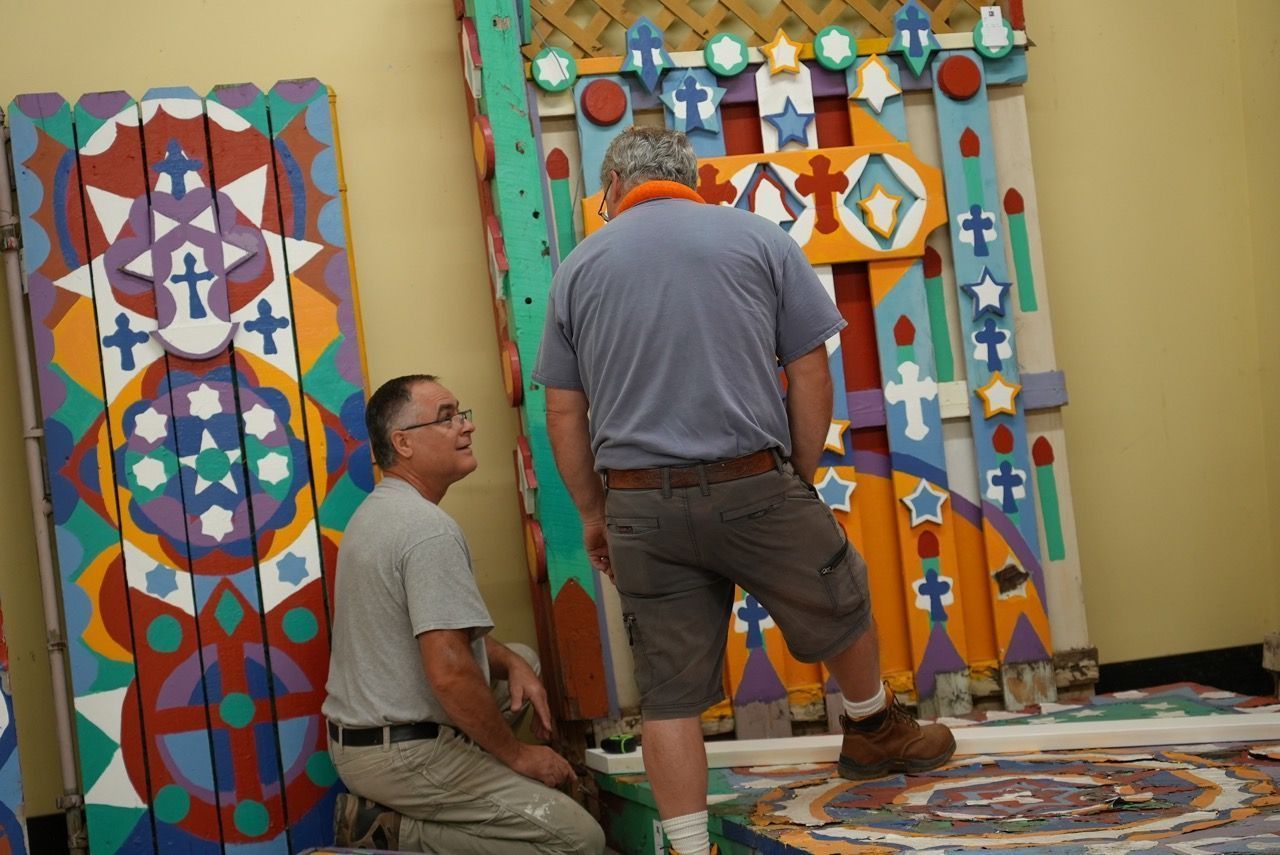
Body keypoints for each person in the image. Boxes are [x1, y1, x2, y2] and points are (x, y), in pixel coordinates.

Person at [533, 127, 956, 855]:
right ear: (691, 179)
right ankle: (872, 726)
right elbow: (810, 371)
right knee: (841, 595)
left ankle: (689, 848)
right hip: (752, 481)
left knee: (668, 695)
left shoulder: (578, 269)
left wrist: (594, 513)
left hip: (639, 505)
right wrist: (796, 474)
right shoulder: (758, 238)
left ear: (614, 187)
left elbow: (564, 413)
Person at [322, 374, 605, 854]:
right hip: (402, 756)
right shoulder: (427, 530)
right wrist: (519, 757)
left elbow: (437, 633)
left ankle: (463, 795)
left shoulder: (381, 511)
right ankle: (397, 833)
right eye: (447, 417)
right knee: (579, 840)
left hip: (361, 743)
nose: (466, 426)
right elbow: (450, 672)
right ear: (403, 443)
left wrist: (511, 663)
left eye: (461, 414)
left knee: (522, 659)